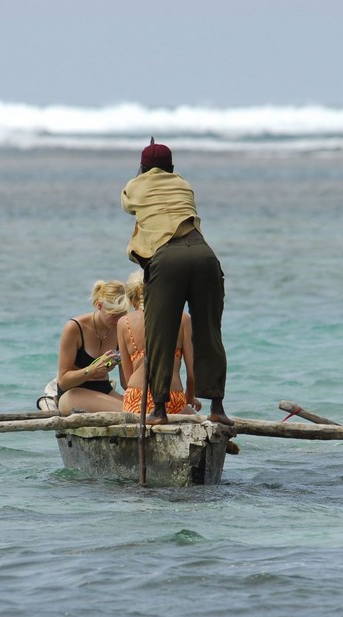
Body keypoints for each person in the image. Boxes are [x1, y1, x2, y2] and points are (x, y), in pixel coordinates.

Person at [121, 138, 231, 425]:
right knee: (209, 332)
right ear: (172, 167)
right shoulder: (183, 184)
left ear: (143, 167)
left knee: (160, 335)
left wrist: (140, 173)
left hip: (168, 259)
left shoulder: (135, 186)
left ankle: (158, 410)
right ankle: (217, 408)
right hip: (204, 255)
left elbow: (128, 206)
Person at [118, 270, 202, 417]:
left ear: (131, 300)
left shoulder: (123, 323)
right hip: (171, 398)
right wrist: (190, 397)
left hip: (135, 399)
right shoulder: (182, 319)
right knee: (198, 419)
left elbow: (127, 379)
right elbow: (192, 374)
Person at [55, 280, 128, 416]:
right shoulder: (74, 328)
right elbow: (63, 382)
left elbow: (126, 383)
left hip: (104, 391)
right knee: (130, 412)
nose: (118, 320)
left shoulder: (121, 328)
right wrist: (93, 369)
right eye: (114, 314)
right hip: (73, 393)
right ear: (99, 306)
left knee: (140, 410)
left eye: (122, 314)